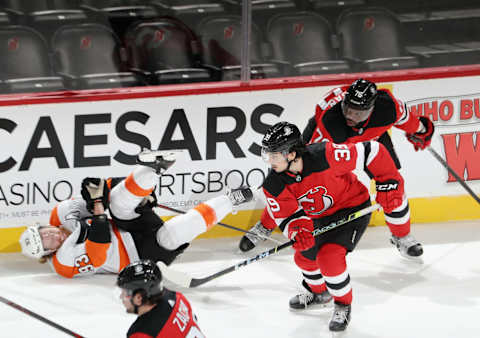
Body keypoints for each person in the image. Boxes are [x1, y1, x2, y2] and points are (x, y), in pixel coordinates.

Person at [239, 78, 434, 260]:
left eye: (357, 113)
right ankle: (265, 226)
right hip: (331, 142)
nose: (350, 116)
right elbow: (302, 169)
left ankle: (402, 236)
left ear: (372, 109)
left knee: (393, 186)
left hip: (371, 139)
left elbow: (406, 119)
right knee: (294, 183)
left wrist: (421, 131)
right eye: (347, 109)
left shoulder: (387, 107)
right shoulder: (330, 122)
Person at [256, 121, 410, 332]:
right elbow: (286, 214)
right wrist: (297, 231)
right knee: (303, 256)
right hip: (318, 218)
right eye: (267, 155)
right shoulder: (273, 183)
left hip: (352, 208)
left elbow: (372, 151)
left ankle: (343, 304)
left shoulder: (325, 154)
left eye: (273, 155)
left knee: (329, 258)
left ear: (291, 154)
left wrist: (388, 183)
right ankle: (320, 293)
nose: (269, 161)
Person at [19, 149, 254, 278]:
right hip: (138, 257)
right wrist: (99, 205)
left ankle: (152, 169)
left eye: (44, 232)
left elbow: (104, 190)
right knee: (171, 236)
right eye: (47, 242)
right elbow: (99, 249)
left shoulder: (61, 212)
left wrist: (141, 196)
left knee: (119, 203)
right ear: (48, 253)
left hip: (129, 226)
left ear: (41, 225)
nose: (51, 235)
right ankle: (230, 200)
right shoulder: (63, 263)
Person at [117, 259, 205, 338]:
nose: (121, 297)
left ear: (138, 298)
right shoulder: (177, 297)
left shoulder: (141, 333)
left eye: (124, 293)